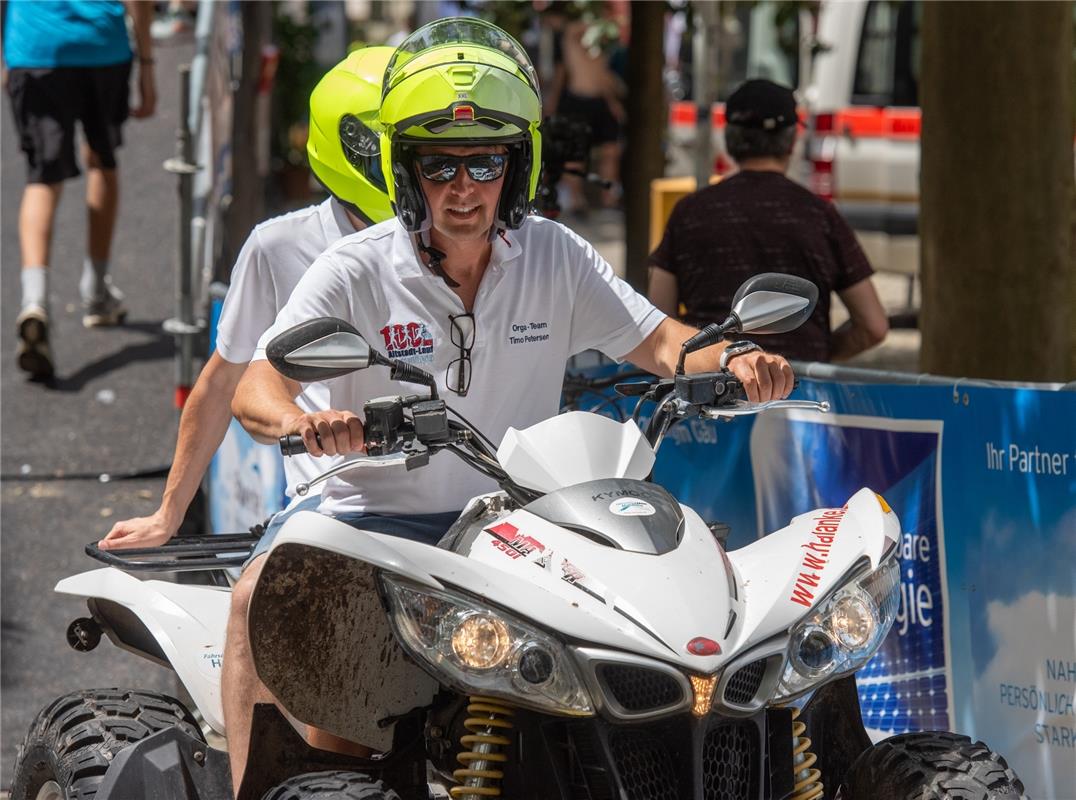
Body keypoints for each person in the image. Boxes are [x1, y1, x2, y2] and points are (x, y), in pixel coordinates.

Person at [226, 19, 795, 793]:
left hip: (516, 522)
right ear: (407, 172)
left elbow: (661, 341)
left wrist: (735, 358)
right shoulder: (355, 268)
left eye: (485, 162)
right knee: (263, 599)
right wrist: (301, 422)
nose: (464, 188)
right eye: (440, 165)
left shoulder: (555, 257)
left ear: (514, 168)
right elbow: (257, 386)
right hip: (366, 521)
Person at [98, 47, 396, 552]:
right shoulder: (279, 246)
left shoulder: (474, 236)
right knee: (251, 608)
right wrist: (168, 515)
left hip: (466, 502)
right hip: (334, 508)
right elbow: (223, 381)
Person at [648, 78, 889, 363]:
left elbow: (658, 318)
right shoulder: (820, 215)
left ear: (729, 139)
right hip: (805, 392)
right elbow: (874, 326)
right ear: (791, 141)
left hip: (711, 387)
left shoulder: (689, 213)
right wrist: (817, 358)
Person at [4, 0, 156, 381]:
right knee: (101, 163)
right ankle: (97, 290)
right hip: (100, 45)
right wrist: (148, 68)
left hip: (35, 45)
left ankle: (34, 300)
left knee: (42, 178)